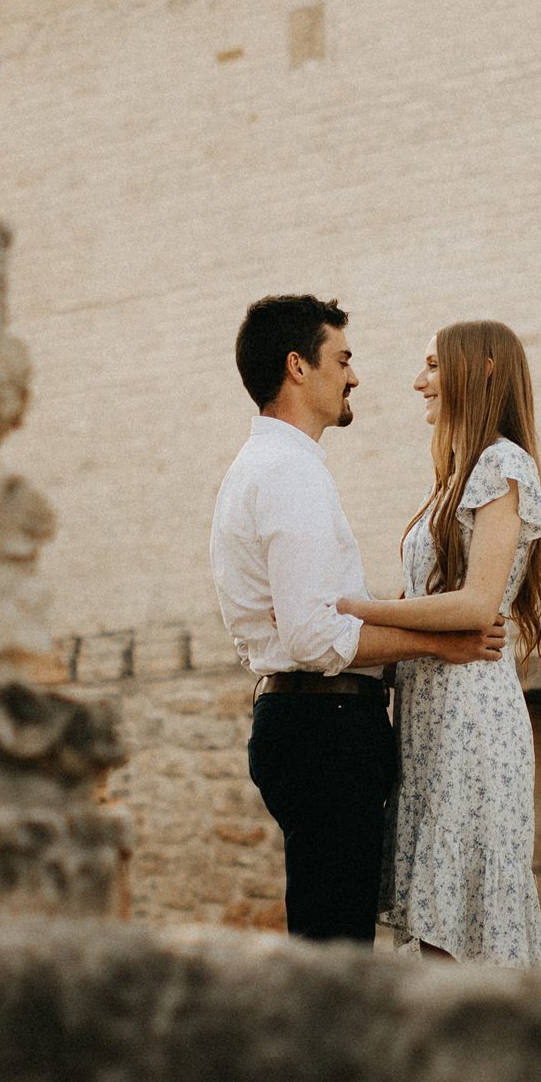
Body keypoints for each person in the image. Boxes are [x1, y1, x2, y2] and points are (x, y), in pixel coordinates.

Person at [211, 295, 507, 944]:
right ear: (298, 367)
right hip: (326, 726)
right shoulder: (288, 473)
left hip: (309, 721)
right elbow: (315, 635)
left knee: (328, 939)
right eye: (342, 359)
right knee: (334, 953)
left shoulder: (265, 468)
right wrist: (439, 643)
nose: (353, 376)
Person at [336, 321, 541, 965]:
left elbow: (475, 604)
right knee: (439, 927)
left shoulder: (501, 464)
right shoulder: (459, 472)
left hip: (472, 713)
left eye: (433, 365)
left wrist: (358, 610)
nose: (419, 381)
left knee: (463, 927)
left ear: (483, 370)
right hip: (431, 712)